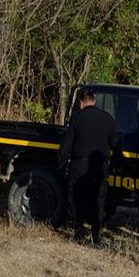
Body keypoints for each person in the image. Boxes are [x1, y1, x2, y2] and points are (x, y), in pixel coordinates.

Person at [58, 88, 118, 244]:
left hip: (79, 165)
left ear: (81, 103)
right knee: (98, 199)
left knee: (77, 197)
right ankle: (96, 234)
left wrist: (60, 164)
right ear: (95, 101)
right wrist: (117, 165)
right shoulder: (108, 119)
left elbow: (67, 145)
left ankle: (79, 231)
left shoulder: (77, 118)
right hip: (100, 166)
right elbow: (116, 145)